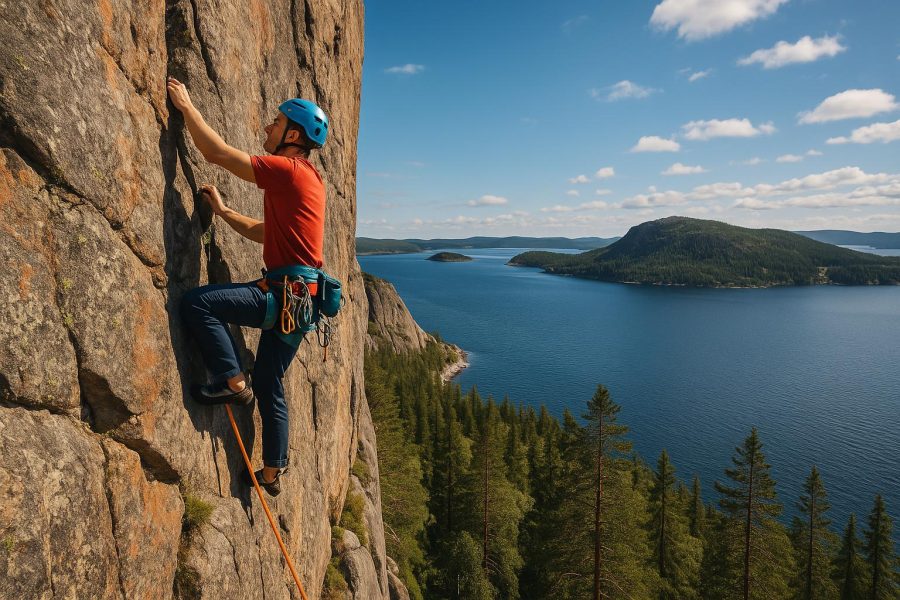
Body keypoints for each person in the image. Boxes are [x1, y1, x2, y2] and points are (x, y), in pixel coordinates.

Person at [167, 76, 328, 496]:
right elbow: (263, 231)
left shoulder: (289, 171)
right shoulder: (307, 180)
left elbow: (217, 153)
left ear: (293, 135)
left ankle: (231, 382)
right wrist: (222, 210)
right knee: (272, 383)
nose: (267, 129)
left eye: (276, 123)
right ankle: (273, 473)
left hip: (282, 294)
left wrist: (188, 109)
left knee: (198, 304)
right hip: (302, 304)